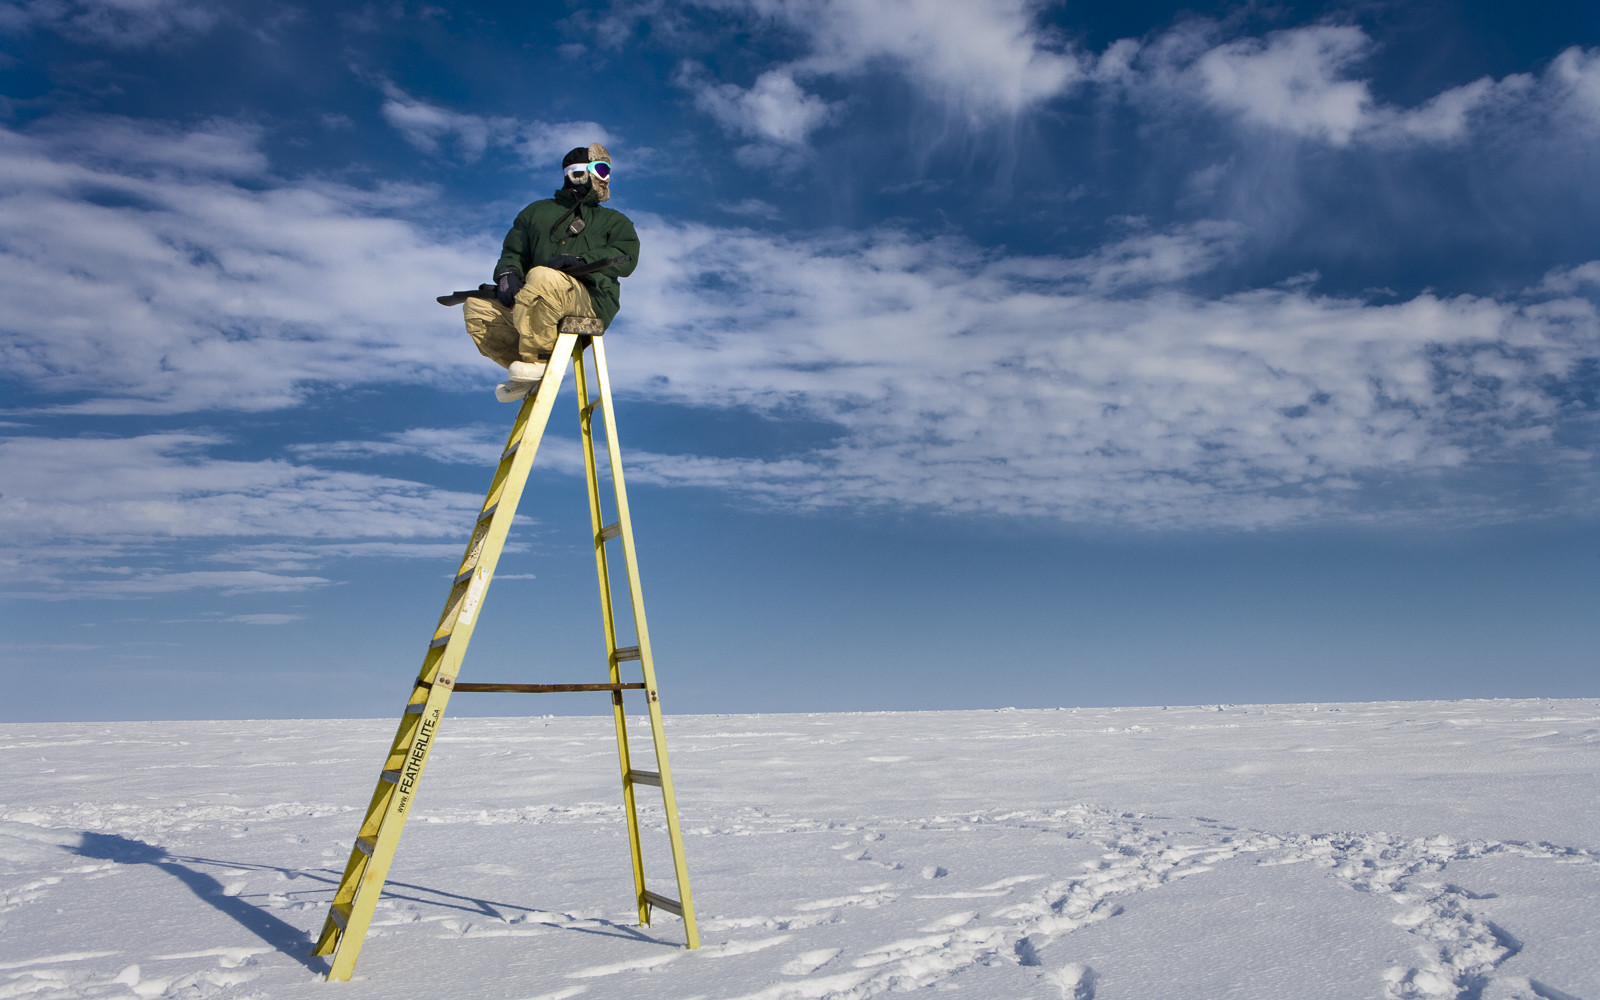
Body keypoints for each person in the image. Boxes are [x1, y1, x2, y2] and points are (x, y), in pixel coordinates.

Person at [462, 143, 640, 401]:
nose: (607, 179)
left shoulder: (614, 221)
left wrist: (580, 260)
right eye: (601, 170)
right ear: (578, 174)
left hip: (588, 299)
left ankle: (539, 359)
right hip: (538, 301)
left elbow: (627, 257)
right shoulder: (535, 213)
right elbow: (513, 252)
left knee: (542, 276)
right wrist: (507, 274)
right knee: (477, 308)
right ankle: (526, 370)